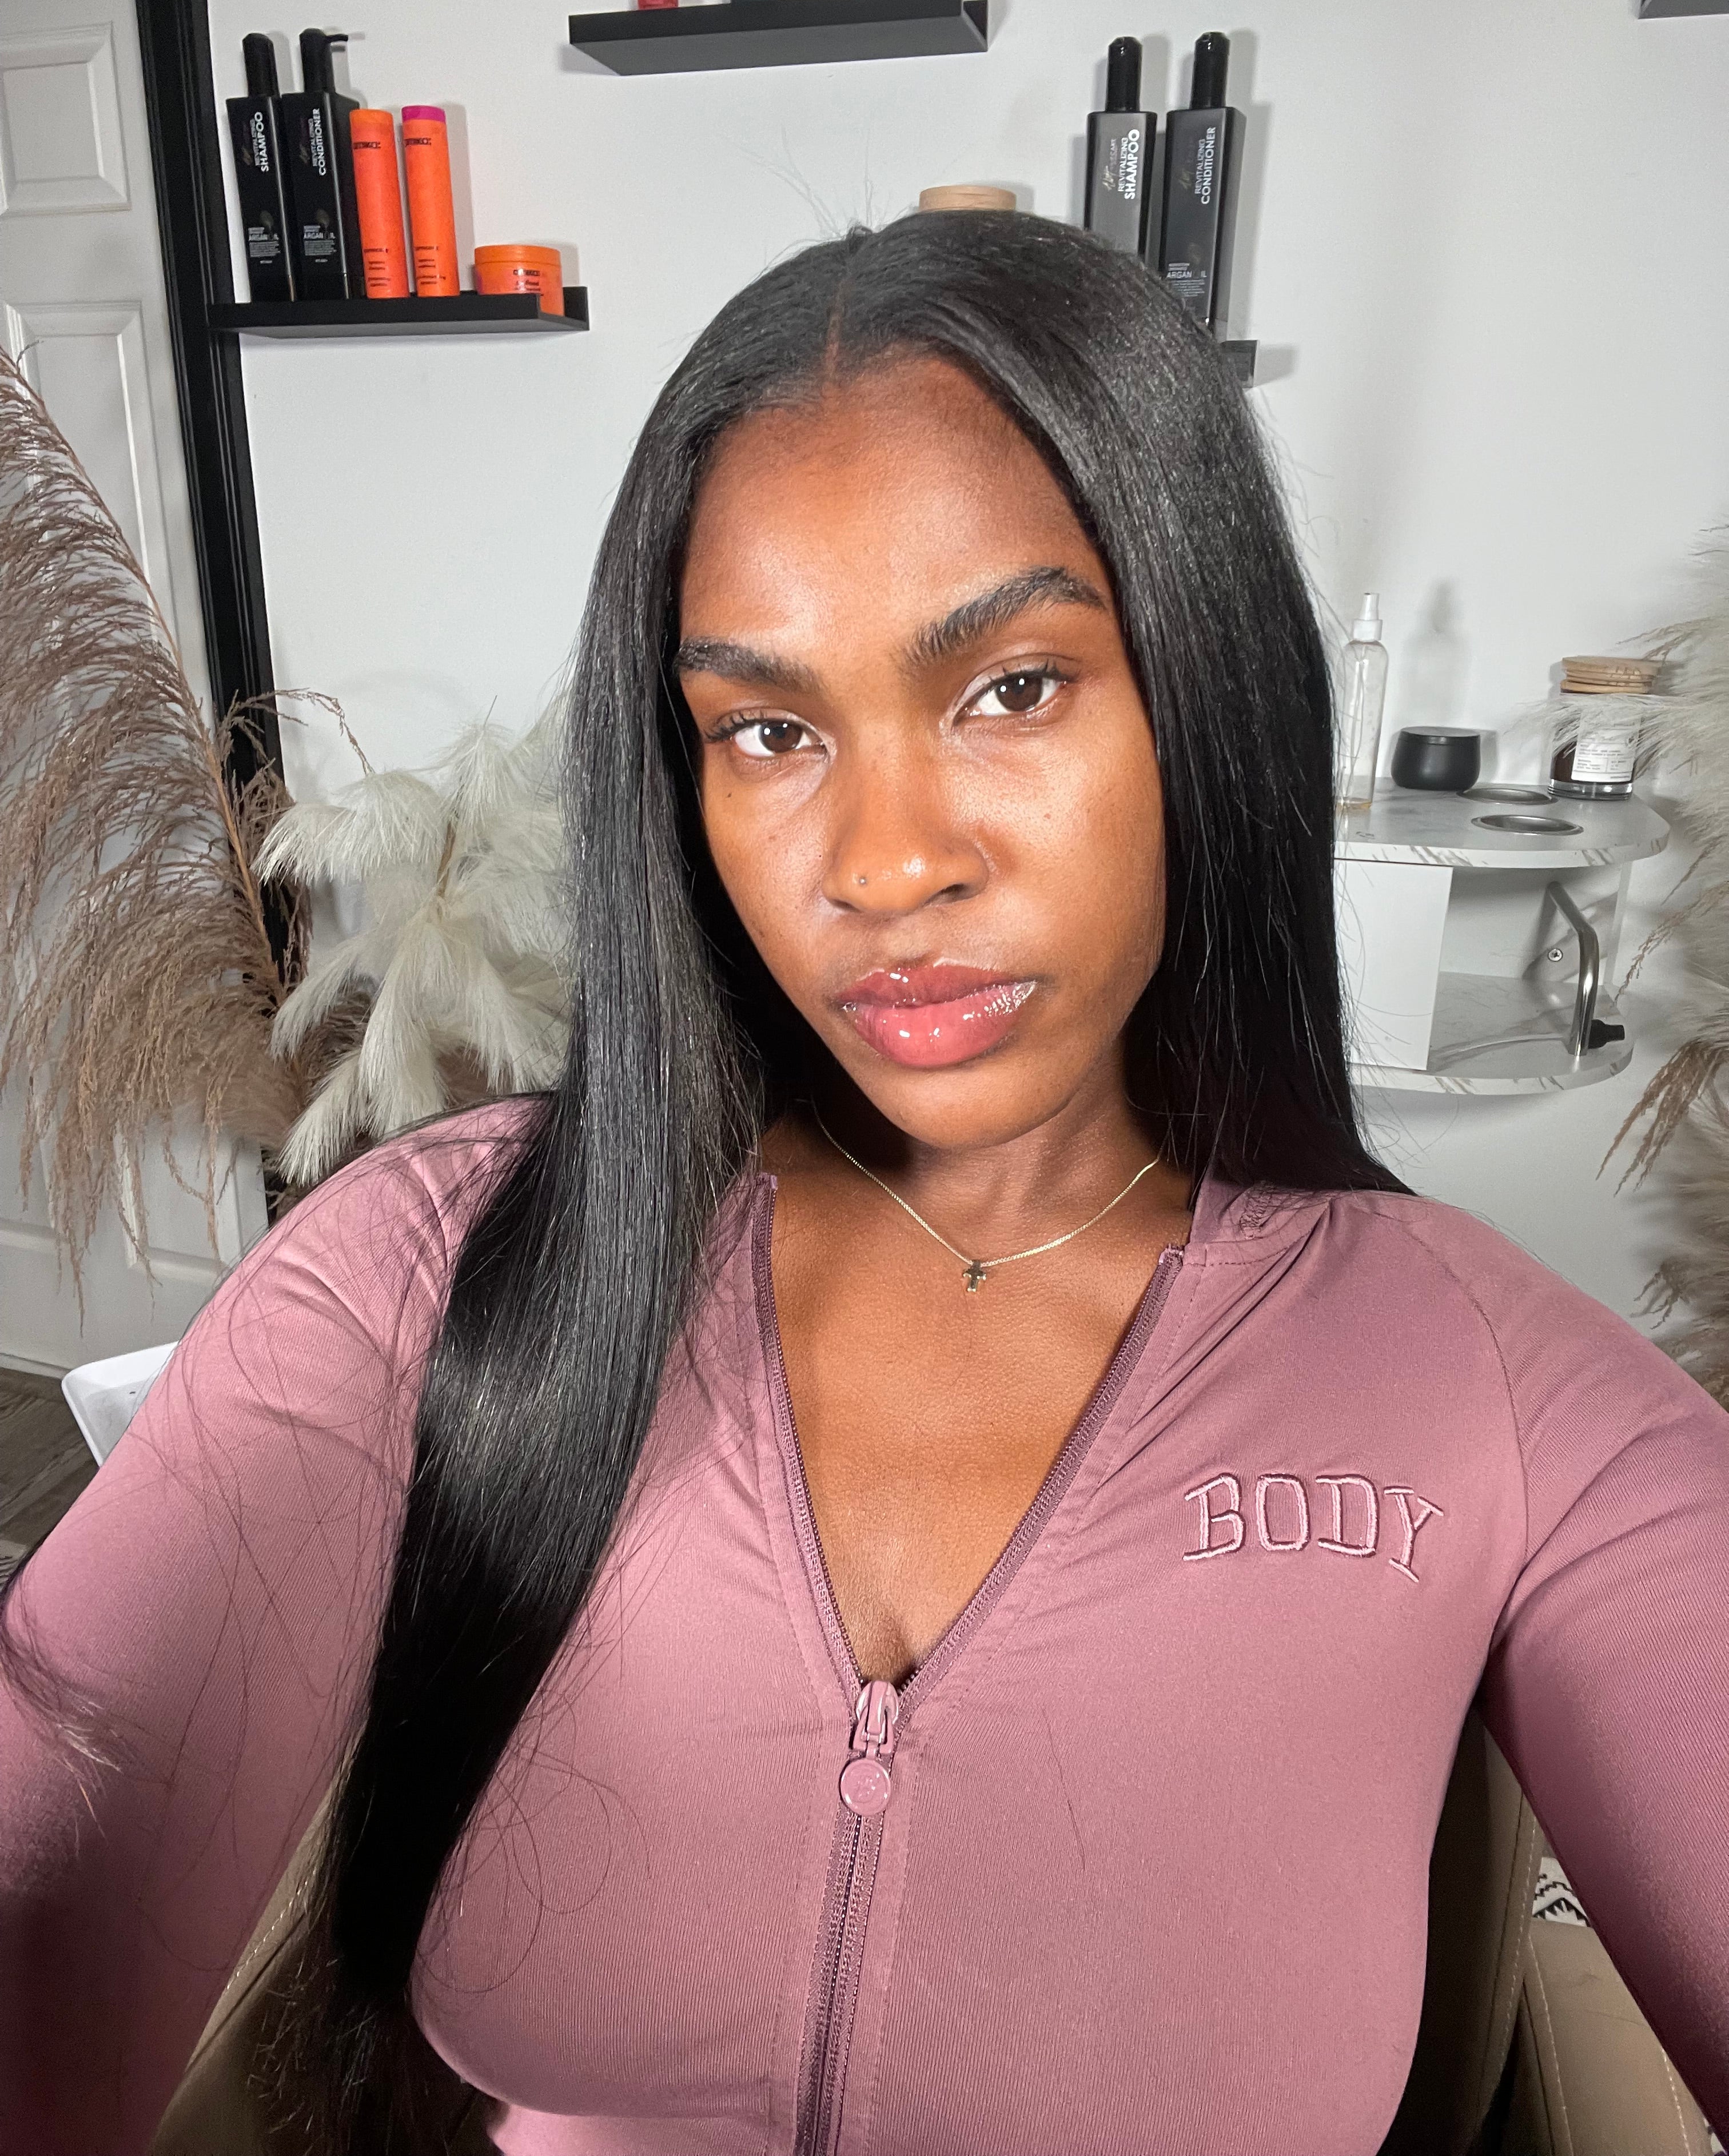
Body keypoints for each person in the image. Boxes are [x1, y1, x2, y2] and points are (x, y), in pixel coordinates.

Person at [2, 211, 1726, 2156]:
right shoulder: (429, 1271)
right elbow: (65, 1790)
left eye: (1014, 689)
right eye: (769, 730)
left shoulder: (1489, 1388)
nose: (886, 863)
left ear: (1207, 694)